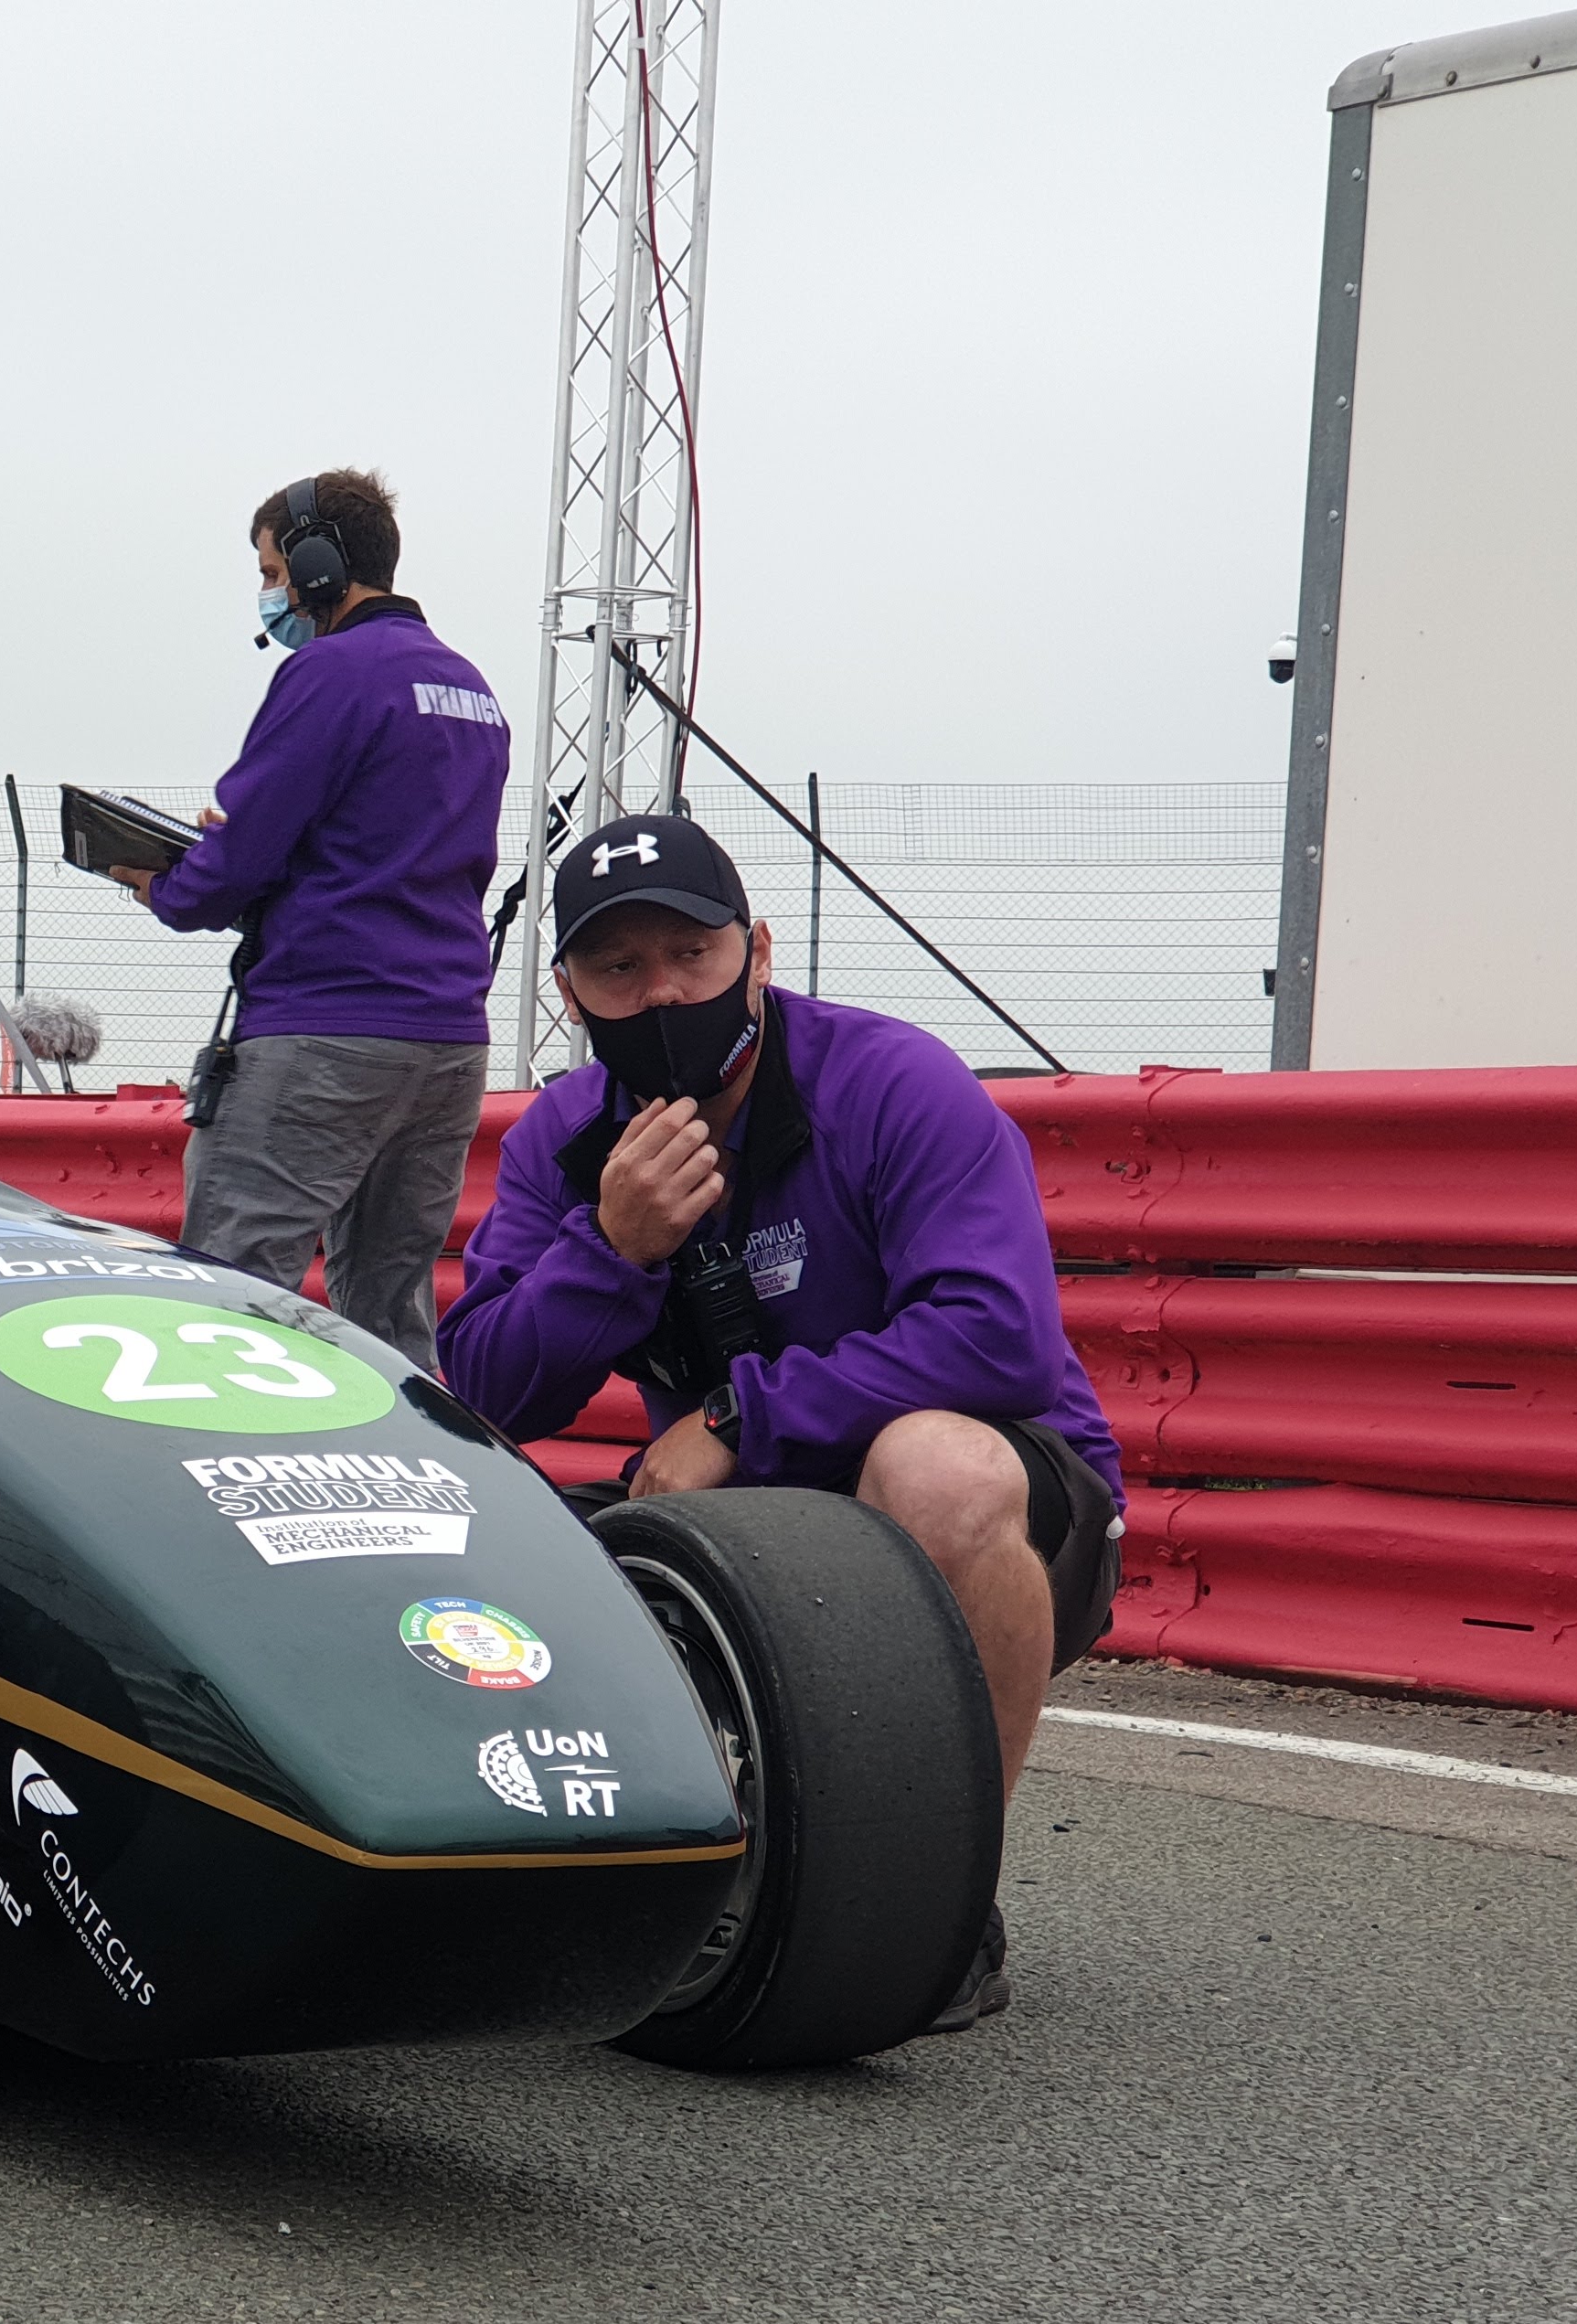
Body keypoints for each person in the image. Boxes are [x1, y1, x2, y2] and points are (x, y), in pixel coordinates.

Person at [438, 813, 1126, 2028]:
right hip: (749, 1535)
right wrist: (614, 1249)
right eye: (618, 970)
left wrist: (737, 1417)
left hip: (1009, 1513)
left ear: (754, 949)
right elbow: (482, 1390)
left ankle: (941, 1904)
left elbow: (998, 1335)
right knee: (482, 1528)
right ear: (569, 994)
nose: (660, 993)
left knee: (938, 1468)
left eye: (690, 956)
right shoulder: (563, 1139)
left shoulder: (893, 1080)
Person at [105, 467, 509, 1367]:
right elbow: (378, 838)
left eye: (269, 571)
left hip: (325, 1028)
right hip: (447, 1043)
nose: (267, 595)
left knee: (229, 1306)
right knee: (392, 1318)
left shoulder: (329, 672)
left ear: (317, 566)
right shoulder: (468, 687)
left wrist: (166, 883)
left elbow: (235, 867)